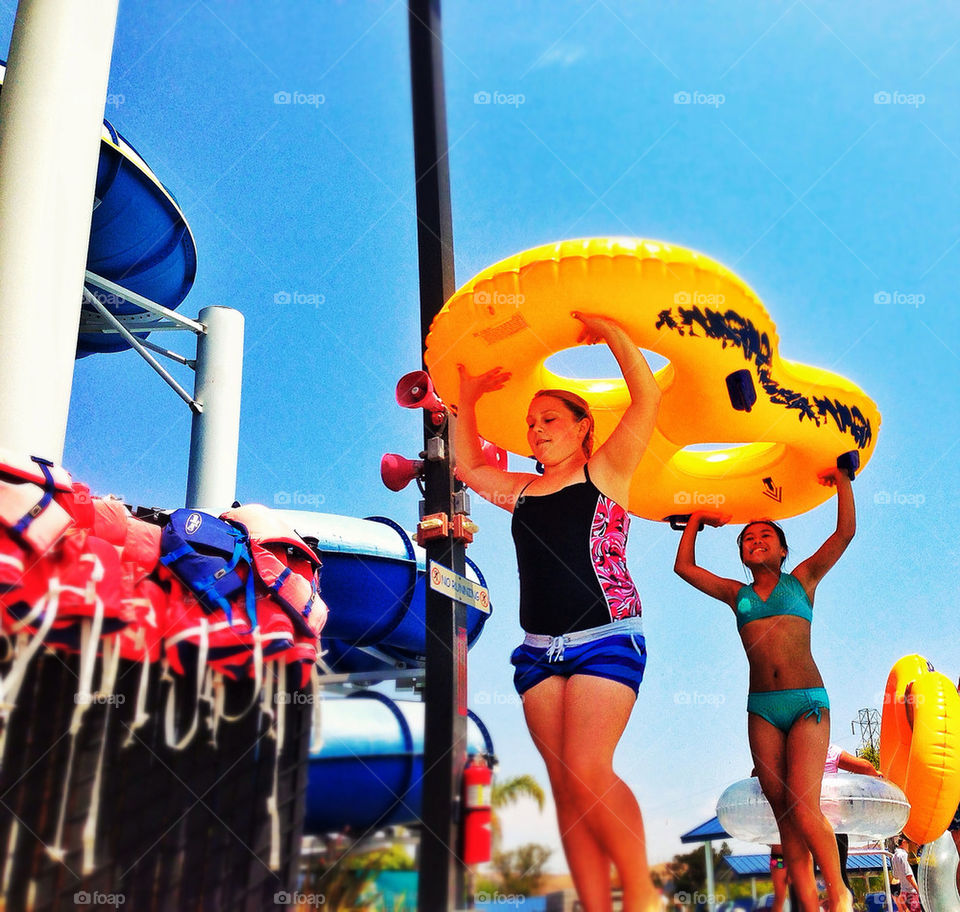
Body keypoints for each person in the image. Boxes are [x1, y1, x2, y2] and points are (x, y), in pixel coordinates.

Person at [454, 312, 661, 912]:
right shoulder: (520, 490)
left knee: (590, 767)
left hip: (607, 633)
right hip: (538, 650)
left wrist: (614, 334)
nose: (537, 430)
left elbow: (645, 397)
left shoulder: (608, 469)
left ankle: (642, 898)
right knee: (567, 786)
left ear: (582, 426)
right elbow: (468, 466)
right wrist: (468, 395)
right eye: (530, 423)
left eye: (549, 420)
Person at [673, 466, 856, 912]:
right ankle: (807, 905)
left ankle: (840, 895)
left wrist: (843, 480)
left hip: (808, 703)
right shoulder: (739, 594)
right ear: (742, 556)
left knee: (802, 801)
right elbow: (683, 567)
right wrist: (695, 520)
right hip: (762, 710)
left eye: (764, 537)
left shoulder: (804, 580)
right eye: (747, 539)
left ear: (783, 549)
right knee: (784, 814)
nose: (755, 541)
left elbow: (844, 533)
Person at [824, 743, 882, 891]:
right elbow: (864, 767)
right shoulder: (827, 749)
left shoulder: (790, 749)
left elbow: (757, 772)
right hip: (832, 826)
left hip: (802, 824)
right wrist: (875, 774)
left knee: (803, 878)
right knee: (839, 878)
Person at [891, 835, 921, 912]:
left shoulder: (894, 856)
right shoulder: (904, 855)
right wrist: (919, 891)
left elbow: (895, 875)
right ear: (904, 842)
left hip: (904, 892)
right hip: (911, 892)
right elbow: (909, 875)